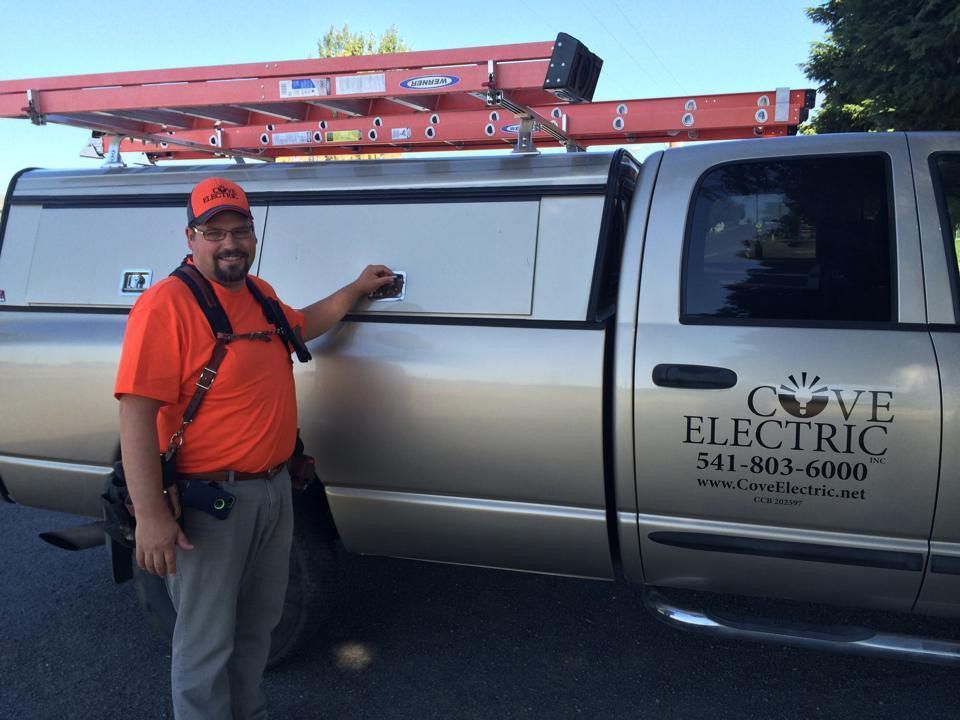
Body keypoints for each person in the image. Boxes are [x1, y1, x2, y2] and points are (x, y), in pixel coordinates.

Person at [114, 177, 393, 720]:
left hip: (272, 492)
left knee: (255, 629)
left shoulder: (260, 296)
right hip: (209, 503)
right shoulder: (164, 306)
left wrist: (356, 288)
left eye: (239, 230)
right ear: (190, 237)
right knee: (204, 644)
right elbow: (136, 413)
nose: (229, 243)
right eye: (213, 232)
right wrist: (150, 515)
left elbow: (305, 324)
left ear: (253, 235)